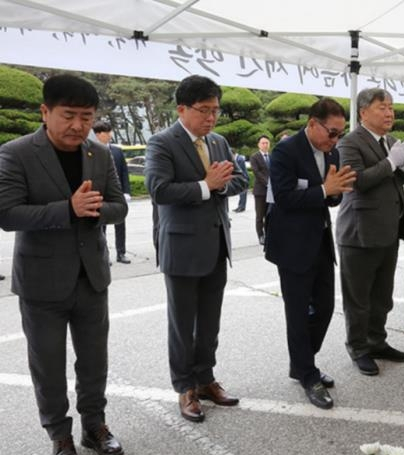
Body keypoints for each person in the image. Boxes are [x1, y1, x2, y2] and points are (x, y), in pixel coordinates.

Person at [0, 74, 128, 455]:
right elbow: (7, 214)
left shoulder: (99, 153)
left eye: (86, 117)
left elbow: (119, 206)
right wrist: (67, 209)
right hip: (41, 283)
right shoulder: (16, 153)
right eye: (69, 115)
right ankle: (59, 434)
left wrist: (95, 209)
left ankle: (94, 426)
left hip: (91, 276)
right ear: (45, 111)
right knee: (48, 365)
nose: (78, 126)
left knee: (94, 361)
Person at [144, 75, 249, 423]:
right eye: (204, 110)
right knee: (182, 323)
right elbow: (159, 190)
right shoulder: (162, 143)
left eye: (215, 110)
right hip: (182, 248)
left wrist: (219, 186)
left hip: (217, 244)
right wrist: (206, 185)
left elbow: (239, 180)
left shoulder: (217, 141)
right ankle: (184, 386)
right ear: (182, 109)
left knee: (209, 323)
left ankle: (205, 378)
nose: (211, 118)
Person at [265, 98, 356, 409]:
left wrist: (335, 192)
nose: (335, 140)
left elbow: (328, 198)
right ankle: (307, 373)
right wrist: (323, 190)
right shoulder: (285, 151)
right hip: (291, 245)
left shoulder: (331, 152)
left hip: (320, 241)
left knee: (327, 307)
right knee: (297, 313)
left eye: (340, 134)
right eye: (332, 132)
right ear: (313, 123)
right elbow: (285, 197)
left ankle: (302, 362)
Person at [336, 88, 404, 376]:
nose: (389, 113)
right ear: (363, 112)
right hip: (359, 233)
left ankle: (377, 340)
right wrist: (391, 162)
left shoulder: (391, 141)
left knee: (382, 295)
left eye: (391, 107)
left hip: (388, 229)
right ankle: (358, 347)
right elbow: (358, 181)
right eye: (382, 107)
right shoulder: (349, 142)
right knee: (358, 297)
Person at [93, 120, 132, 264]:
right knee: (101, 227)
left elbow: (124, 173)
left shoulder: (117, 151)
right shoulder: (92, 151)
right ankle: (104, 254)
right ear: (98, 134)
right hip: (101, 195)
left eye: (110, 131)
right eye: (107, 132)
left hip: (117, 194)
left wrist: (126, 191)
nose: (110, 135)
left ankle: (121, 253)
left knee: (120, 224)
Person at [250, 135, 271, 244]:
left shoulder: (272, 157)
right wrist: (268, 184)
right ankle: (260, 235)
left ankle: (269, 233)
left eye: (267, 143)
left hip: (271, 192)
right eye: (263, 143)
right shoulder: (254, 157)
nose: (265, 145)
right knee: (259, 215)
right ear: (258, 144)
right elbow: (257, 172)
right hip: (260, 191)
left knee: (269, 214)